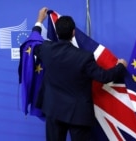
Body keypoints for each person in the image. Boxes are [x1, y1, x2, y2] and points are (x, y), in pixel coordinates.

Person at [32, 7, 127, 141]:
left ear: (57, 33)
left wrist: (39, 21)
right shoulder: (85, 57)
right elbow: (104, 77)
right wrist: (121, 66)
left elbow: (32, 43)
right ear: (73, 32)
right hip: (78, 114)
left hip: (54, 110)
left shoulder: (46, 50)